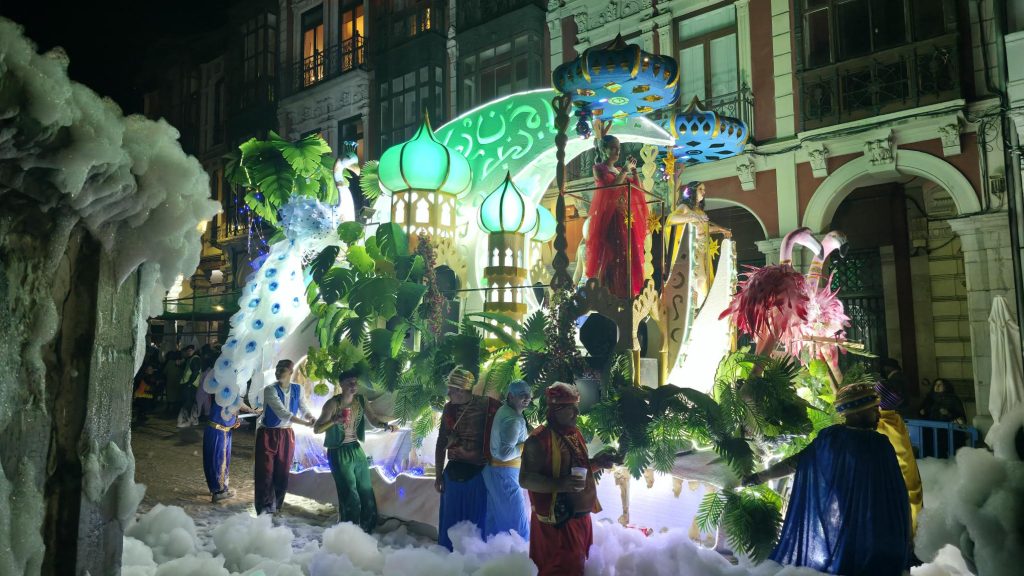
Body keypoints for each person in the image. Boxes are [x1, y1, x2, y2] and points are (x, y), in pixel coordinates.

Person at [744, 383, 911, 575]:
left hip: (858, 534)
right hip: (872, 535)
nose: (878, 416)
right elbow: (899, 496)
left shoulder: (836, 439)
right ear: (856, 413)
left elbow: (896, 492)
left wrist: (761, 476)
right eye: (874, 410)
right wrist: (761, 476)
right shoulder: (868, 443)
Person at [519, 382, 618, 576]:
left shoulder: (574, 433)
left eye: (576, 407)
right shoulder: (539, 440)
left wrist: (598, 462)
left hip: (581, 519)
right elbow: (525, 479)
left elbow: (577, 467)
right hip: (558, 524)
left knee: (580, 568)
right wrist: (560, 484)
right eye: (570, 408)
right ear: (555, 409)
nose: (576, 413)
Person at [314, 365, 398, 532]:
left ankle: (368, 529)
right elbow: (317, 429)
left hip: (355, 448)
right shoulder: (332, 404)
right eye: (349, 382)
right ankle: (349, 531)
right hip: (338, 451)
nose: (353, 385)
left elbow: (373, 419)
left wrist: (385, 426)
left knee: (366, 490)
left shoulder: (360, 400)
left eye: (355, 382)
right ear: (341, 384)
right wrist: (334, 421)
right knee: (350, 493)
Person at [435, 367, 501, 550]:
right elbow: (441, 442)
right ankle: (447, 560)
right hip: (453, 471)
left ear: (462, 390)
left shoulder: (490, 406)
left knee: (476, 522)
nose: (448, 393)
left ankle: (474, 561)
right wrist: (438, 475)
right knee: (450, 520)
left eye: (451, 389)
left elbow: (510, 426)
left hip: (479, 473)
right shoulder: (449, 409)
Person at [585, 134, 649, 299]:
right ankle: (610, 292)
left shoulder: (620, 170)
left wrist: (634, 171)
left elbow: (637, 189)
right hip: (611, 218)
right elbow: (611, 189)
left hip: (626, 218)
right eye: (613, 148)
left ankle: (627, 292)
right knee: (613, 255)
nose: (616, 151)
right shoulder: (599, 168)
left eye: (618, 148)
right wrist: (626, 171)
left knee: (628, 254)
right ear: (604, 149)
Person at [254, 359, 316, 515]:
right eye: (277, 369)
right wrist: (305, 423)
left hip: (287, 434)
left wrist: (310, 417)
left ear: (290, 372)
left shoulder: (298, 389)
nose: (278, 372)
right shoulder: (270, 390)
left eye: (282, 369)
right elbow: (282, 413)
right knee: (265, 471)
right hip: (268, 433)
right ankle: (264, 507)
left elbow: (303, 407)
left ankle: (277, 505)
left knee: (283, 471)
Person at [664, 180, 731, 307]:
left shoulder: (700, 211)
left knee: (703, 279)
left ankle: (699, 306)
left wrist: (720, 229)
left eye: (704, 189)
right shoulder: (684, 208)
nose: (704, 192)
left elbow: (704, 229)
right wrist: (690, 217)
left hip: (702, 248)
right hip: (691, 247)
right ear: (692, 191)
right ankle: (692, 306)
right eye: (701, 189)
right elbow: (671, 219)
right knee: (694, 277)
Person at [482, 380, 533, 539]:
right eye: (522, 395)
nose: (526, 398)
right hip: (505, 473)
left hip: (497, 472)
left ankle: (492, 558)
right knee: (517, 526)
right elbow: (505, 454)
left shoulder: (504, 410)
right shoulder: (513, 420)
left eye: (528, 395)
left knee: (495, 522)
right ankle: (517, 559)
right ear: (510, 396)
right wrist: (527, 445)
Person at [875, 377, 924, 535]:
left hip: (902, 483)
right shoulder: (893, 418)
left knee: (907, 518)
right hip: (908, 480)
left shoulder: (884, 425)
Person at [204, 395, 259, 503]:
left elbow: (234, 404)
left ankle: (215, 488)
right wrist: (250, 411)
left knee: (212, 460)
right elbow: (234, 404)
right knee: (220, 461)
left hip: (217, 430)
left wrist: (236, 420)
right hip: (220, 432)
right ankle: (219, 492)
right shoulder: (226, 390)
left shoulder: (222, 388)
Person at [176, 345, 203, 428]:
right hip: (190, 384)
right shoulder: (192, 359)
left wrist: (189, 383)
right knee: (190, 402)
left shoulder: (194, 359)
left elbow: (195, 372)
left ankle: (185, 421)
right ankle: (193, 419)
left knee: (187, 402)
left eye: (190, 350)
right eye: (187, 351)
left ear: (194, 350)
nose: (188, 352)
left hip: (190, 385)